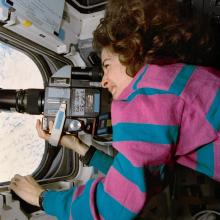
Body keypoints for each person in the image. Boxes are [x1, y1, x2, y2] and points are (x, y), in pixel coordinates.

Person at [9, 0, 220, 219]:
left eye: (107, 65)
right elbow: (142, 178)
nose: (104, 82)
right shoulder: (170, 80)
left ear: (132, 50)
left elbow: (113, 208)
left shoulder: (145, 99)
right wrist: (78, 146)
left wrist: (41, 197)